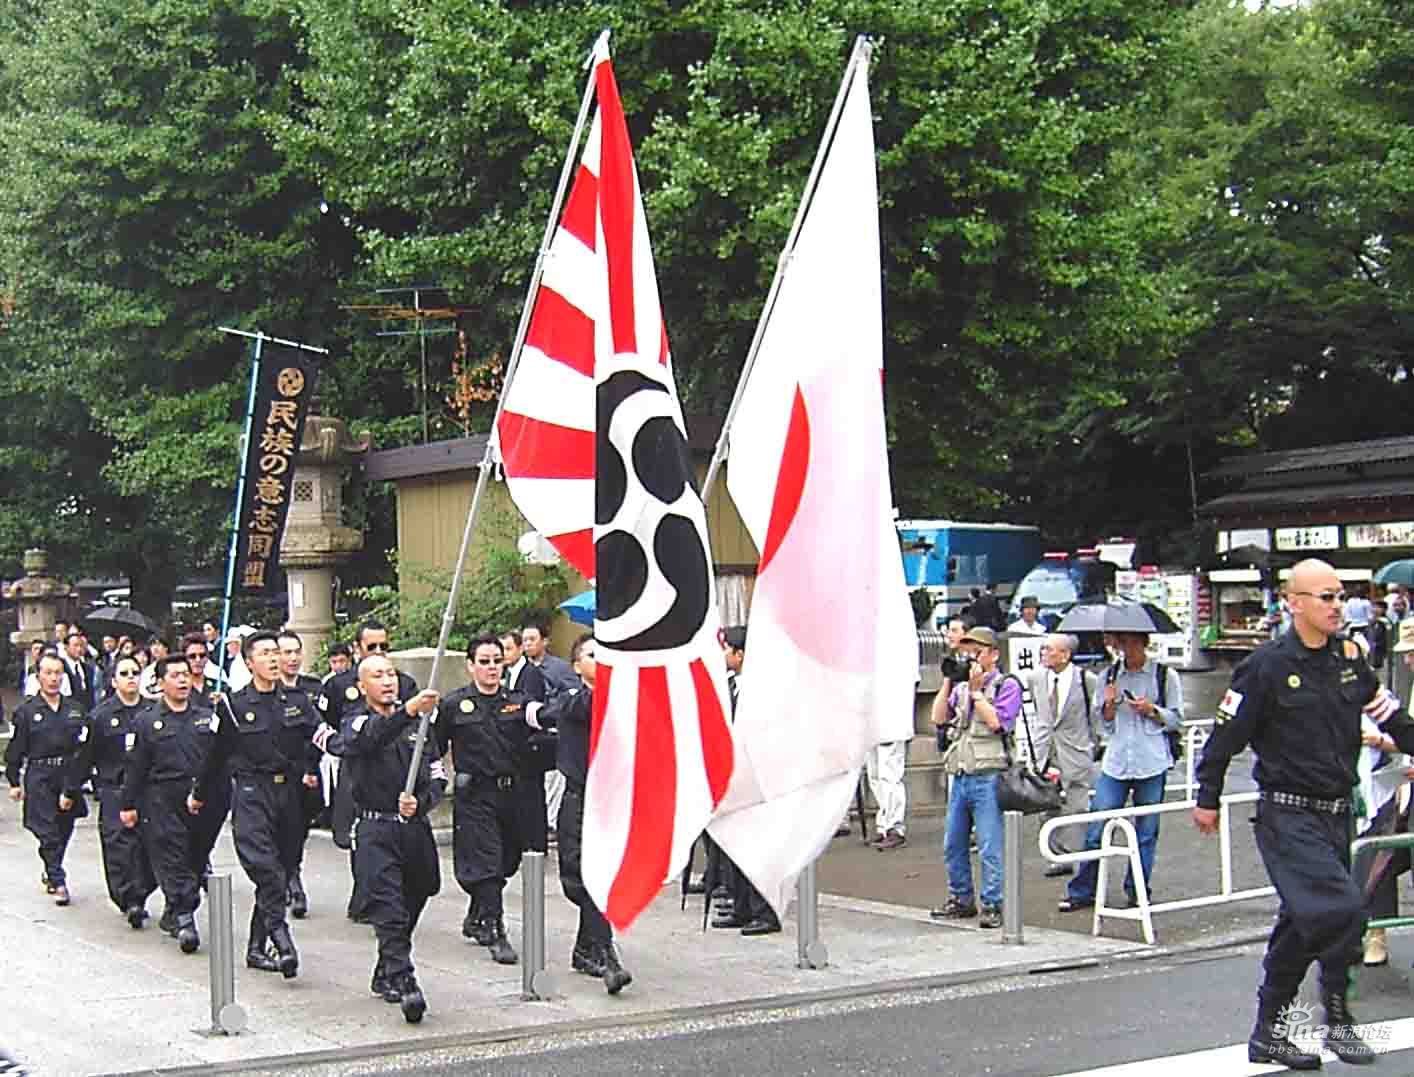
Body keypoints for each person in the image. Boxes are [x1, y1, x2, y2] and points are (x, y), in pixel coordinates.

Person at [1192, 557, 1414, 1068]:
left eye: (1341, 595)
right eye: (1325, 596)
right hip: (1287, 813)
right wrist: (1207, 796)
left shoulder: (1350, 660)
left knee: (1303, 921)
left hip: (1339, 810)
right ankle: (1336, 1016)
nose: (1337, 606)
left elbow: (1392, 717)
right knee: (1341, 910)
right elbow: (1226, 735)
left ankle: (1273, 1030)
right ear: (1294, 603)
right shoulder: (1266, 666)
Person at [192, 630, 319, 979]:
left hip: (289, 794)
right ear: (249, 663)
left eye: (277, 652)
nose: (275, 659)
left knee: (284, 867)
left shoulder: (297, 701)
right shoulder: (232, 705)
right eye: (265, 653)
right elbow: (215, 756)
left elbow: (322, 736)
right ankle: (281, 937)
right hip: (251, 794)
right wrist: (199, 794)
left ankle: (255, 947)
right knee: (267, 869)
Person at [332, 655, 442, 1023]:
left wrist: (422, 801)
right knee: (388, 906)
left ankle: (386, 966)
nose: (387, 681)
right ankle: (403, 978)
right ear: (362, 686)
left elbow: (437, 773)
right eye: (377, 675)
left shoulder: (421, 726)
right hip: (375, 827)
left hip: (413, 827)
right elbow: (371, 738)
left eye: (391, 673)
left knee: (423, 888)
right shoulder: (356, 721)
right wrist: (409, 710)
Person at [526, 634, 632, 993]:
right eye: (591, 655)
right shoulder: (573, 698)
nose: (599, 660)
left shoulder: (622, 699)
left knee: (604, 875)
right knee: (579, 875)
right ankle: (597, 949)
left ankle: (598, 952)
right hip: (580, 798)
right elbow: (586, 707)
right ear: (576, 666)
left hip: (612, 798)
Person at [1059, 630, 1183, 913]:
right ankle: (1083, 890)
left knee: (1146, 832)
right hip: (1116, 762)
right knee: (1097, 825)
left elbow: (1177, 719)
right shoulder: (1109, 676)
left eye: (1130, 643)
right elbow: (1102, 725)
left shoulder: (1165, 676)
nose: (1125, 649)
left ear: (1143, 643)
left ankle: (1138, 889)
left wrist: (1152, 710)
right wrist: (1109, 706)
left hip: (1151, 760)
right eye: (1121, 643)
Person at [435, 635, 526, 965]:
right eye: (484, 662)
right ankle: (495, 928)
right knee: (486, 862)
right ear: (471, 666)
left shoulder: (517, 701)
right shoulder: (455, 704)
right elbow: (435, 746)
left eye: (496, 661)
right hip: (475, 795)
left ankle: (476, 915)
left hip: (511, 793)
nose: (491, 668)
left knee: (507, 861)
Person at [318, 620, 418, 921]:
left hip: (393, 764)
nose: (379, 651)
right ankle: (365, 893)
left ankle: (383, 894)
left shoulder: (403, 681)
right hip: (356, 763)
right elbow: (329, 725)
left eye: (384, 646)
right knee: (359, 832)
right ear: (356, 649)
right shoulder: (339, 684)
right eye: (371, 647)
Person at [120, 654, 214, 953]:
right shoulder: (146, 721)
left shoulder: (205, 716)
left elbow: (218, 758)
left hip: (197, 798)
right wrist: (128, 804)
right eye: (175, 675)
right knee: (171, 855)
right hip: (160, 797)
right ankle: (185, 916)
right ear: (161, 683)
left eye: (186, 674)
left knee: (196, 858)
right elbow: (135, 768)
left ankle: (174, 911)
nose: (183, 680)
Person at [931, 626, 1019, 929]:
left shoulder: (1006, 685)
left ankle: (993, 904)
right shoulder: (960, 688)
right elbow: (939, 718)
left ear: (993, 654)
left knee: (989, 844)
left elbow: (998, 723)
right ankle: (961, 898)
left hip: (989, 775)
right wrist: (948, 680)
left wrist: (977, 692)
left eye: (976, 652)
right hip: (960, 773)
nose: (970, 659)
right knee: (953, 843)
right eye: (964, 652)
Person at [65, 654, 156, 926]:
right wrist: (71, 789)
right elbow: (85, 756)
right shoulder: (100, 717)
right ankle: (129, 899)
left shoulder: (152, 712)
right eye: (124, 673)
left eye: (134, 672)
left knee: (150, 847)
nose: (131, 678)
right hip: (114, 789)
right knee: (119, 849)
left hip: (147, 791)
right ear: (114, 681)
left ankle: (142, 893)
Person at [5, 653, 90, 905]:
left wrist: (77, 779)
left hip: (67, 774)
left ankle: (51, 867)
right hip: (40, 776)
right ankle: (58, 879)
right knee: (47, 831)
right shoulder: (27, 711)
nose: (53, 678)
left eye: (57, 673)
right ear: (38, 676)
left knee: (64, 828)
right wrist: (13, 781)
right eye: (48, 673)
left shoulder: (75, 709)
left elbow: (84, 747)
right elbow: (16, 749)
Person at [1026, 633, 1099, 879]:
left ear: (1065, 654)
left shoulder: (1085, 679)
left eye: (1049, 649)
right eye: (1043, 649)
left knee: (1078, 805)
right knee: (1047, 804)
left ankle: (1077, 854)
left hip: (1075, 750)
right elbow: (1039, 712)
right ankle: (1056, 854)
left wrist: (1093, 745)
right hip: (1046, 750)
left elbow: (1094, 717)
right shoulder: (1035, 678)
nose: (1044, 653)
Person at [275, 629, 324, 918]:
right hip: (281, 775)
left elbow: (322, 730)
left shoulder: (313, 688)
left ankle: (292, 873)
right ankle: (289, 882)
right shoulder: (269, 692)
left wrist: (312, 768)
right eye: (286, 652)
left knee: (299, 831)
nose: (292, 658)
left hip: (311, 772)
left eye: (296, 651)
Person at [182, 633, 230, 887]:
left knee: (214, 820)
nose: (198, 661)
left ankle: (201, 858)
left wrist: (223, 704)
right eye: (192, 656)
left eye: (203, 656)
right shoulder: (180, 689)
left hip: (216, 767)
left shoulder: (218, 687)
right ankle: (193, 866)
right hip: (188, 765)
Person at [523, 623, 576, 838]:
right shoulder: (519, 669)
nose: (527, 644)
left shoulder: (559, 668)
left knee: (554, 780)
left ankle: (552, 823)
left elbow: (572, 693)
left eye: (532, 639)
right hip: (530, 729)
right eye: (524, 640)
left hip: (552, 728)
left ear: (544, 641)